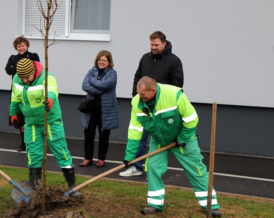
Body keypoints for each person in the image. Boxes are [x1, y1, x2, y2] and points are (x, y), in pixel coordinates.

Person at [123, 76, 221, 217]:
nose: (140, 96)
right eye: (138, 93)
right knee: (152, 167)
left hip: (183, 138)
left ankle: (211, 205)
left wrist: (182, 138)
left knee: (196, 169)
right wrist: (129, 156)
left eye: (143, 94)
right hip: (158, 139)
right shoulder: (137, 103)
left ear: (153, 90)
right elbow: (134, 131)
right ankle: (155, 204)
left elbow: (191, 119)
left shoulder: (174, 95)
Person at [9, 58, 81, 198]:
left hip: (51, 121)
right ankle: (35, 189)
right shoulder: (17, 78)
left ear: (34, 72)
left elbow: (53, 89)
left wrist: (50, 99)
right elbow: (15, 97)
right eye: (21, 78)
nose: (24, 80)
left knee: (61, 151)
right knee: (33, 154)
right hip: (31, 123)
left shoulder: (47, 77)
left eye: (27, 77)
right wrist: (13, 113)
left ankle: (72, 187)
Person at [120, 31, 184, 177]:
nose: (153, 47)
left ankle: (155, 170)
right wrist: (137, 96)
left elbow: (177, 85)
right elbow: (138, 76)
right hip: (144, 106)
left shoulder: (174, 61)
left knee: (159, 140)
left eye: (156, 45)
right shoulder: (145, 58)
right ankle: (136, 167)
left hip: (161, 110)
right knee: (139, 136)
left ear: (164, 44)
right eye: (151, 44)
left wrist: (160, 101)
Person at [79, 50, 118, 168]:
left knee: (104, 135)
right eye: (99, 60)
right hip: (91, 110)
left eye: (104, 60)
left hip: (106, 110)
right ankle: (88, 158)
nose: (101, 62)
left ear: (109, 62)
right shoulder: (91, 71)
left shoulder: (113, 73)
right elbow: (85, 85)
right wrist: (100, 88)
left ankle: (101, 158)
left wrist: (93, 82)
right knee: (89, 133)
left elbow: (107, 85)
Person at [5, 37, 40, 151]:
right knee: (20, 119)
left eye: (23, 45)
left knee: (31, 116)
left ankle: (35, 141)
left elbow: (35, 68)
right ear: (16, 47)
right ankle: (23, 143)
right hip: (18, 90)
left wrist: (15, 68)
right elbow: (8, 70)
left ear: (27, 45)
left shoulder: (33, 56)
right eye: (19, 46)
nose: (21, 48)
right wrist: (22, 68)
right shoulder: (13, 57)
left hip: (31, 90)